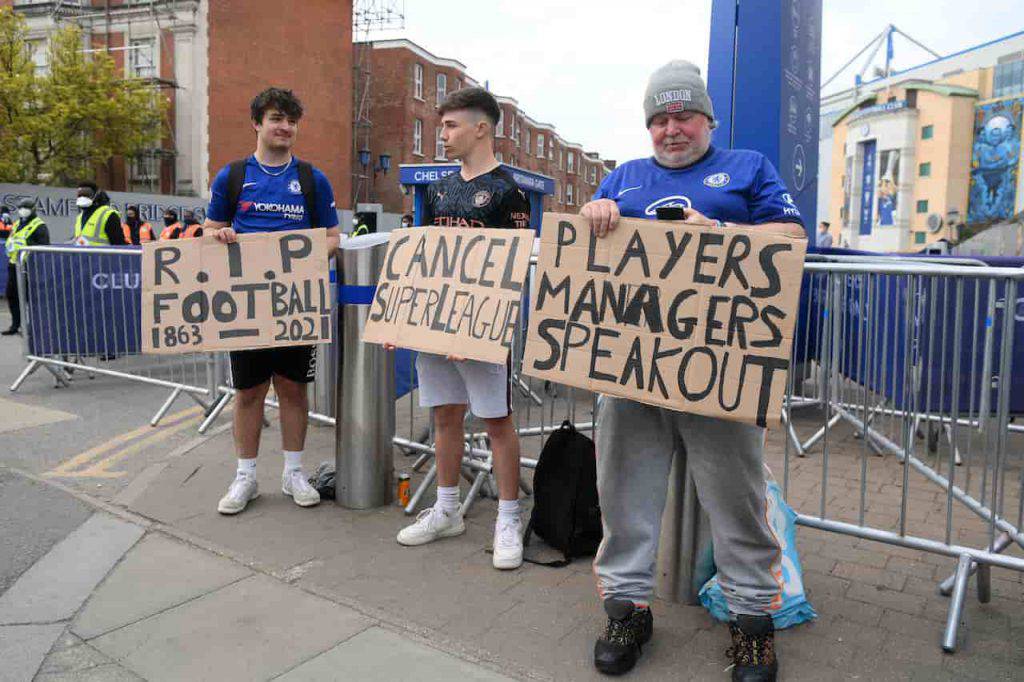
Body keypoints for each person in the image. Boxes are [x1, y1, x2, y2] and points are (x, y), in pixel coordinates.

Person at [579, 61, 806, 681]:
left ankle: (753, 623)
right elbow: (581, 249)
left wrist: (723, 233)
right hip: (632, 372)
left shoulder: (750, 168)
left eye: (683, 116)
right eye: (659, 118)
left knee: (738, 498)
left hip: (719, 372)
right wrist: (595, 213)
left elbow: (790, 235)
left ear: (708, 119)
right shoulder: (624, 177)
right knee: (623, 493)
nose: (671, 128)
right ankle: (626, 609)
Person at [392, 87, 531, 570]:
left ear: (481, 128)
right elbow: (424, 261)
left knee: (496, 422)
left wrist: (476, 332)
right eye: (441, 125)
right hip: (436, 327)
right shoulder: (438, 189)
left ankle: (508, 519)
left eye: (450, 126)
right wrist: (406, 319)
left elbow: (510, 273)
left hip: (482, 332)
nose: (442, 135)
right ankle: (447, 509)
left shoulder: (507, 191)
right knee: (445, 417)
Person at [203, 87, 340, 515]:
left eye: (292, 121)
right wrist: (219, 234)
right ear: (257, 123)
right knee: (248, 393)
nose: (285, 127)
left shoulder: (311, 179)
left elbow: (333, 237)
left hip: (295, 301)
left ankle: (293, 473)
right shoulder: (233, 176)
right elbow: (210, 228)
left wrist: (311, 255)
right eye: (277, 118)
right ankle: (245, 477)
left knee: (293, 390)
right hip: (246, 304)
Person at [4, 197, 50, 335]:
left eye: (26, 208)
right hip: (14, 265)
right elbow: (12, 239)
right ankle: (15, 325)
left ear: (33, 210)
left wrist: (28, 246)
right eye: (20, 208)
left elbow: (44, 247)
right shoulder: (17, 223)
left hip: (30, 267)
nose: (22, 211)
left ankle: (33, 327)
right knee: (11, 295)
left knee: (31, 298)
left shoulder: (39, 225)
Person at [73, 182, 126, 246]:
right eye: (80, 194)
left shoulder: (108, 215)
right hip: (82, 255)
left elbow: (118, 243)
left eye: (87, 193)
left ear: (96, 195)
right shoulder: (80, 217)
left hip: (102, 255)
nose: (82, 197)